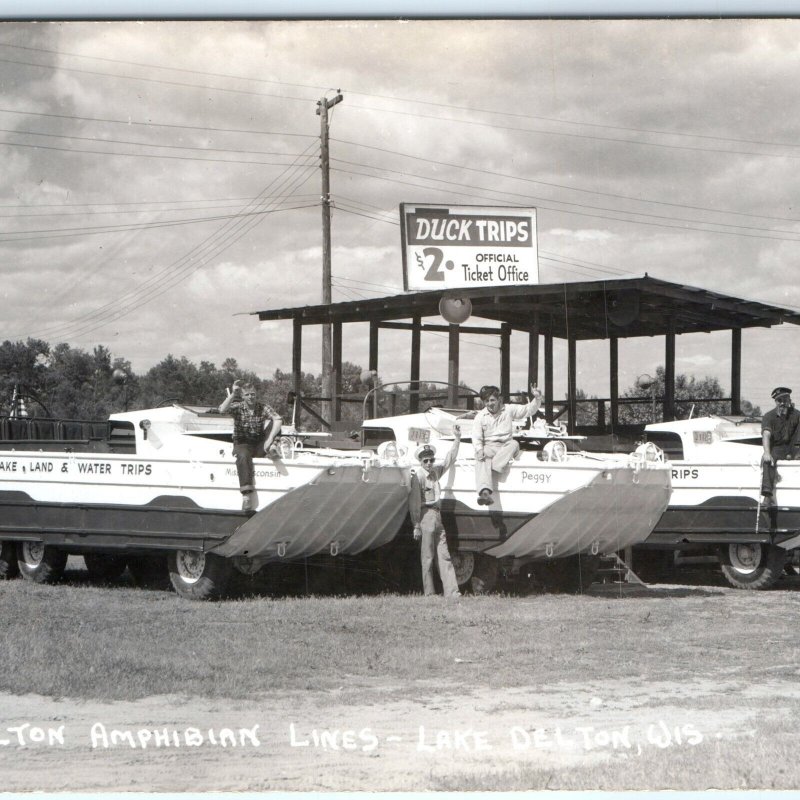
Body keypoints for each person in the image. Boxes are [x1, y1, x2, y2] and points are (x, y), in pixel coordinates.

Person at [408, 426, 462, 598]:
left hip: (438, 516)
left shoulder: (435, 473)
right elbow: (415, 502)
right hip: (425, 516)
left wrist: (457, 439)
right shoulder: (418, 478)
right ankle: (429, 593)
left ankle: (452, 592)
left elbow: (449, 460)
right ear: (420, 462)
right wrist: (416, 525)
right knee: (428, 557)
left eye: (431, 460)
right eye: (426, 461)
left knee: (444, 555)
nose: (429, 463)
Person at [472, 384, 543, 506]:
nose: (490, 404)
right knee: (481, 455)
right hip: (490, 446)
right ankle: (484, 493)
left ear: (499, 399)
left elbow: (528, 410)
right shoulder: (480, 417)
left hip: (506, 446)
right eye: (486, 401)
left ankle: (492, 468)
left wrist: (537, 398)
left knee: (514, 443)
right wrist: (479, 450)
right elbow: (476, 437)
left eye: (492, 400)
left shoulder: (508, 409)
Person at [219, 380, 282, 511]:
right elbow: (221, 410)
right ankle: (246, 496)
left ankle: (272, 448)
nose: (251, 397)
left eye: (253, 394)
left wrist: (269, 439)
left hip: (259, 443)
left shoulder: (262, 407)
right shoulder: (238, 407)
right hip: (242, 442)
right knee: (243, 456)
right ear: (242, 396)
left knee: (276, 426)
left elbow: (278, 419)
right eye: (247, 395)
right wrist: (233, 394)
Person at [760, 386, 800, 505]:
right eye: (780, 400)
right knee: (767, 460)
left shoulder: (797, 415)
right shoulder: (769, 416)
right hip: (778, 448)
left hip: (795, 447)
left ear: (789, 400)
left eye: (785, 399)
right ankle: (767, 494)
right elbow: (766, 435)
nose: (783, 403)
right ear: (776, 402)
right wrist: (767, 452)